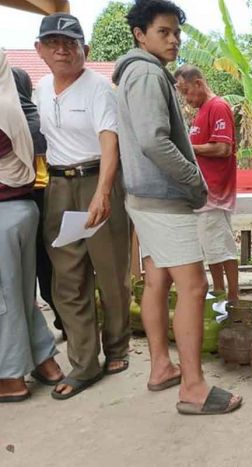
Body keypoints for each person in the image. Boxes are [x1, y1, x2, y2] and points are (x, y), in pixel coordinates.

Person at [114, 0, 241, 415]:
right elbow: (153, 140)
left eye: (176, 32)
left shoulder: (132, 73)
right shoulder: (148, 74)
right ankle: (193, 387)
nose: (174, 40)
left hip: (143, 198)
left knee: (157, 282)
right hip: (164, 199)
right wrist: (193, 179)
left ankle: (161, 368)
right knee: (194, 286)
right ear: (140, 33)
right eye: (163, 32)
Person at [34, 13, 131, 399]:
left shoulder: (99, 90)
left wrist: (103, 192)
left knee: (109, 274)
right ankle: (85, 364)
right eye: (54, 42)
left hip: (97, 180)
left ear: (85, 50)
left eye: (71, 43)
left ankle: (119, 347)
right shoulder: (40, 90)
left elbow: (111, 141)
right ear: (39, 50)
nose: (63, 49)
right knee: (67, 280)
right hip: (58, 185)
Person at [0, 49, 63, 403]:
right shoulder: (14, 104)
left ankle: (9, 377)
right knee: (21, 294)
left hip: (3, 214)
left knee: (4, 300)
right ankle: (44, 360)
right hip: (22, 208)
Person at [174, 65, 239, 302]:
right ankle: (220, 293)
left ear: (199, 83)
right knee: (212, 249)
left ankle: (232, 297)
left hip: (215, 194)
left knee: (221, 247)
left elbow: (223, 148)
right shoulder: (202, 112)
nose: (186, 98)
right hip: (204, 194)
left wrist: (188, 148)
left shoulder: (218, 107)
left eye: (187, 91)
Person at [10, 67, 64, 340]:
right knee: (49, 266)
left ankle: (32, 333)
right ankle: (65, 323)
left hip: (22, 199)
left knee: (24, 270)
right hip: (52, 196)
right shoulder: (40, 118)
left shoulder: (12, 122)